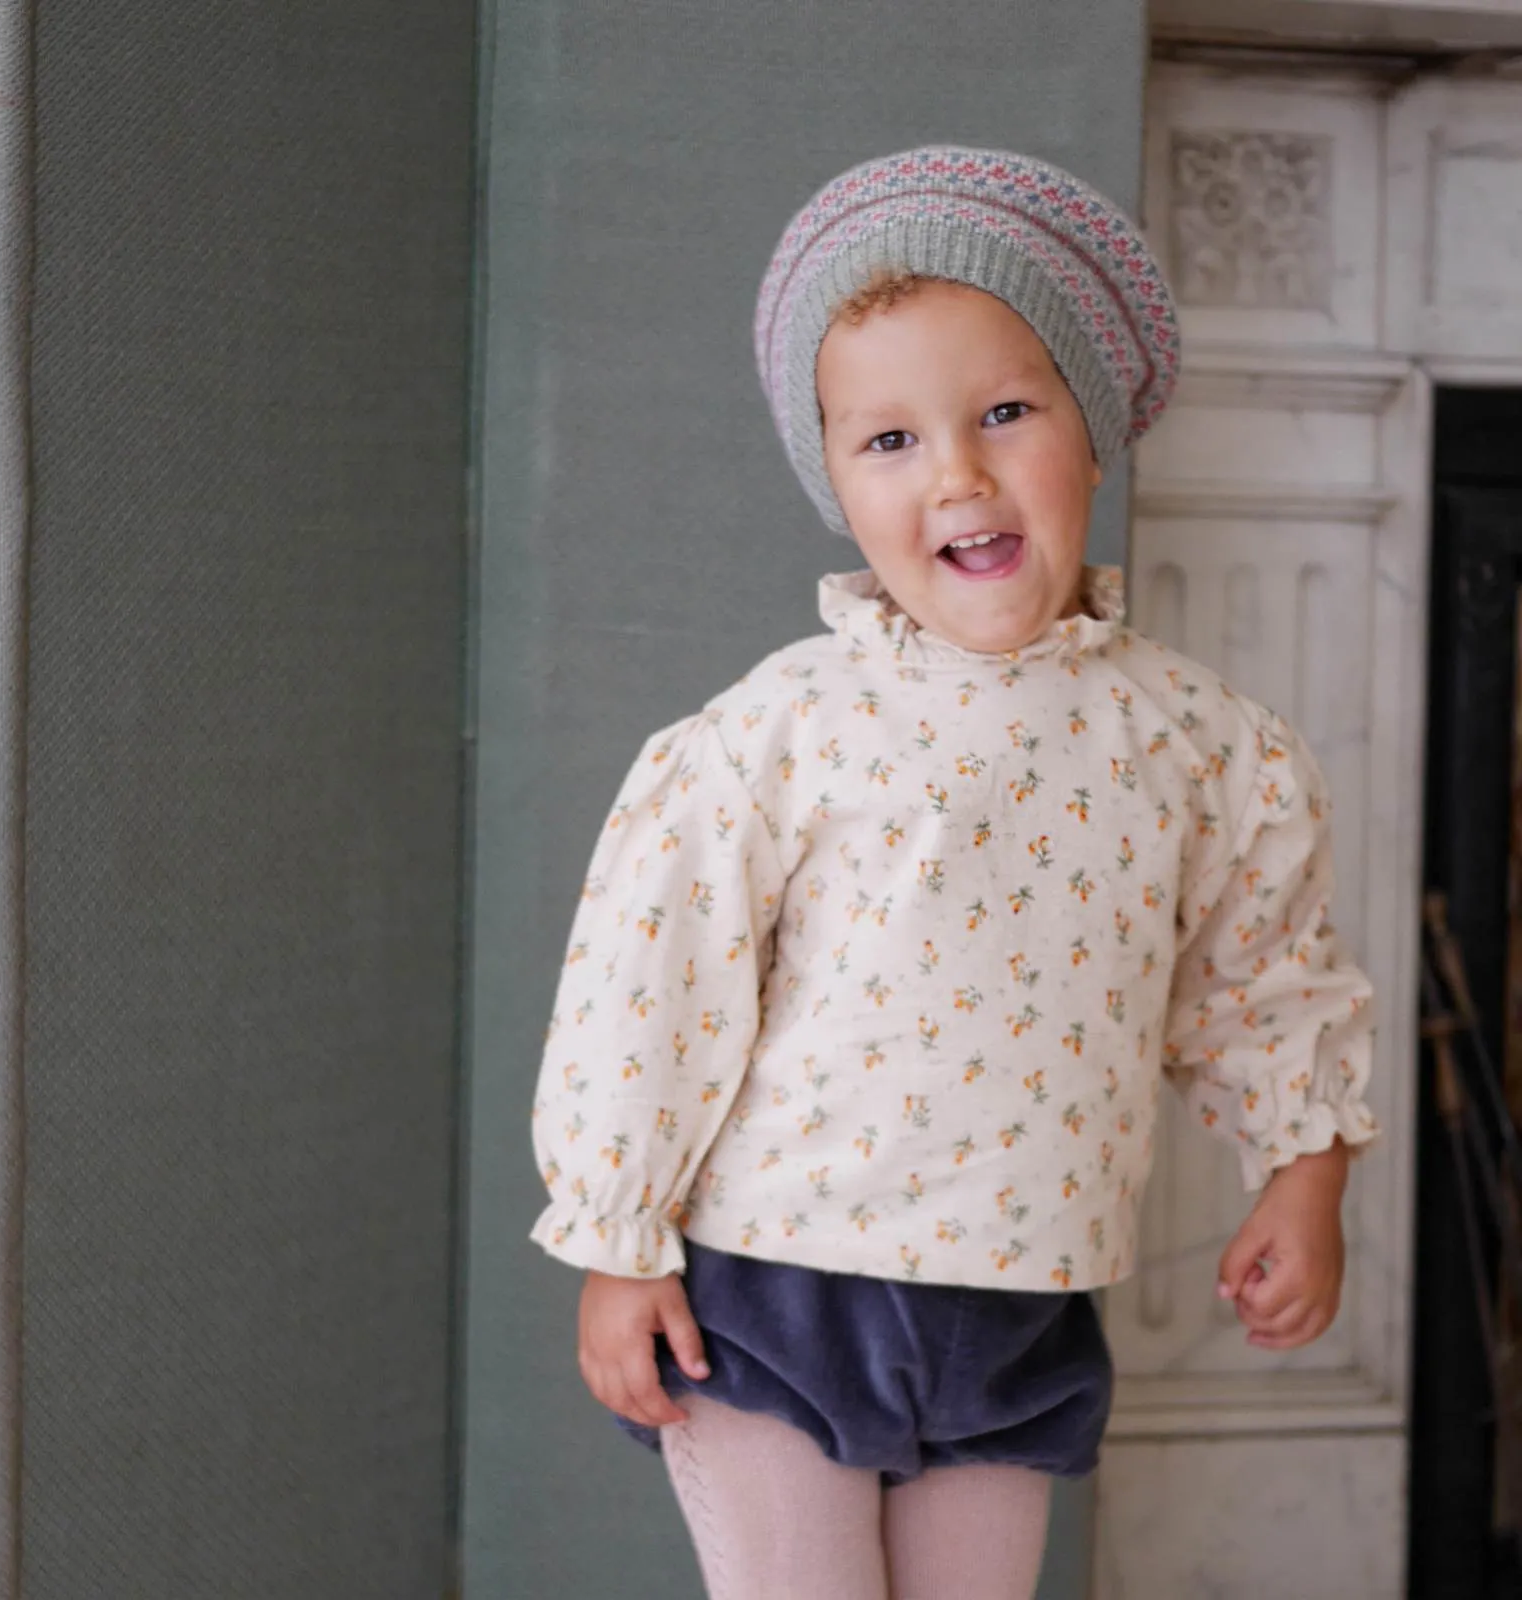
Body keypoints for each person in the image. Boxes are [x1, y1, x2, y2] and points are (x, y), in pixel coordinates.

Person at [527, 145, 1380, 1600]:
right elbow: (652, 981)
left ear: (1093, 435)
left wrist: (1306, 1178)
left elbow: (1263, 981)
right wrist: (619, 1239)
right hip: (775, 1296)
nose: (961, 475)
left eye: (1003, 412)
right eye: (891, 441)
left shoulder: (1202, 747)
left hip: (1023, 1310)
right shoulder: (780, 732)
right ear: (839, 485)